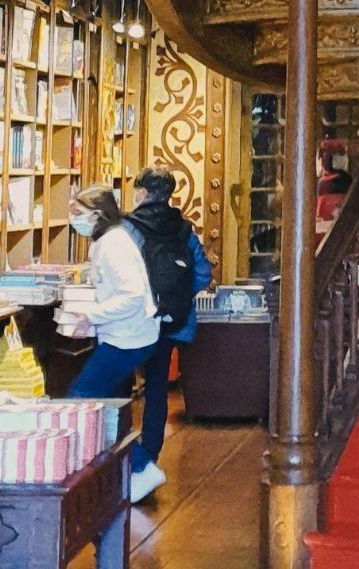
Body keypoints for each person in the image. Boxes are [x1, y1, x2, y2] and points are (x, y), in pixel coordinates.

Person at [65, 182, 164, 501]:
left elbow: (132, 295)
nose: (74, 219)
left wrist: (91, 316)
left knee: (82, 398)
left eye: (78, 212)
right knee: (101, 402)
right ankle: (126, 470)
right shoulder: (108, 241)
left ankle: (139, 466)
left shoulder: (112, 245)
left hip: (128, 338)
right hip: (126, 335)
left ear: (97, 215)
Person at [120, 169, 213, 503]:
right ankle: (150, 456)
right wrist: (177, 296)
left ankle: (121, 459)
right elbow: (203, 272)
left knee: (119, 385)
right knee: (157, 387)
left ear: (143, 192)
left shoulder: (128, 227)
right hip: (171, 320)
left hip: (134, 320)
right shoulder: (184, 228)